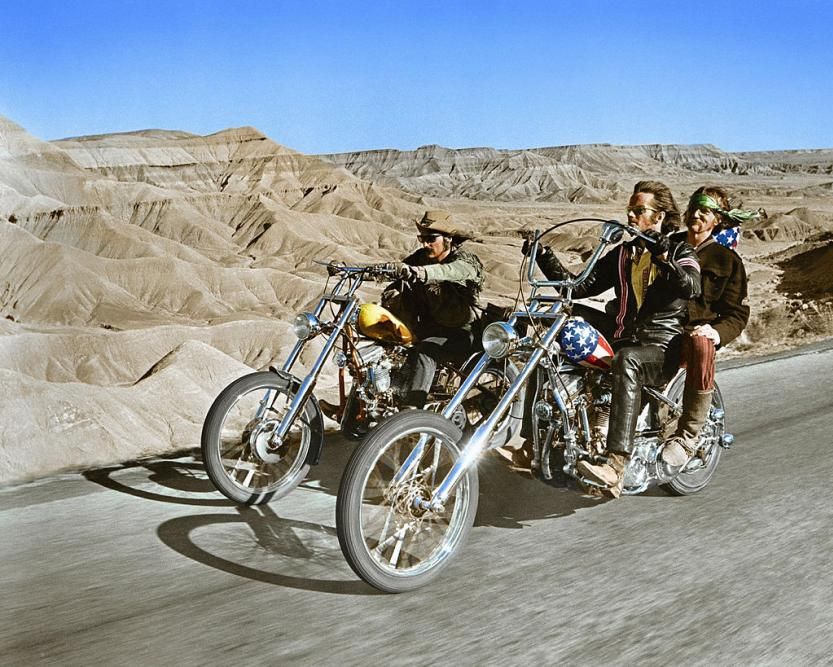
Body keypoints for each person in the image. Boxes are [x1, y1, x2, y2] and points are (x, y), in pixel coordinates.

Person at [530, 181, 701, 496]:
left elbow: (691, 286)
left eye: (639, 210)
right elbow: (579, 286)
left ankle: (616, 466)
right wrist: (543, 255)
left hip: (660, 347)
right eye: (630, 210)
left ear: (660, 216)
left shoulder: (680, 250)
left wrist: (664, 257)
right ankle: (533, 444)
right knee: (554, 322)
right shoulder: (623, 253)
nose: (631, 216)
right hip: (623, 337)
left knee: (627, 359)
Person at [660, 186, 753, 466]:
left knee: (702, 343)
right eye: (694, 208)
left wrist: (716, 332)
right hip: (659, 326)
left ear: (717, 219)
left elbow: (737, 313)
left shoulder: (727, 261)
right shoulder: (668, 246)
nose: (697, 215)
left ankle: (689, 435)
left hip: (692, 335)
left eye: (706, 211)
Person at [383, 210, 484, 408]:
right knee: (384, 344)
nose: (425, 244)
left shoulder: (466, 261)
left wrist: (419, 272)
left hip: (462, 332)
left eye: (431, 239)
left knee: (426, 352)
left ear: (448, 238)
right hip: (430, 327)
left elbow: (451, 271)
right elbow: (399, 269)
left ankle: (412, 410)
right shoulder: (421, 257)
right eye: (422, 238)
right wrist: (358, 271)